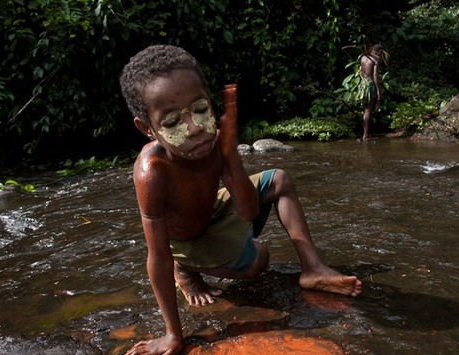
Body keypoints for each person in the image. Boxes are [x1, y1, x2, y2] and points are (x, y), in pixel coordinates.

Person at [119, 44, 362, 355]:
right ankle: (188, 269)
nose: (194, 129)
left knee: (279, 179)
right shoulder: (152, 172)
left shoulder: (216, 139)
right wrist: (172, 335)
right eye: (171, 123)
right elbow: (157, 256)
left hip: (213, 209)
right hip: (187, 240)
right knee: (259, 260)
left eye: (201, 110)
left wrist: (230, 156)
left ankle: (313, 268)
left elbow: (248, 210)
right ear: (147, 129)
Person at [359, 44, 383, 141]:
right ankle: (365, 135)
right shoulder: (376, 59)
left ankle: (365, 134)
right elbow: (375, 75)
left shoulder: (363, 57)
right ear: (380, 52)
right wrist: (378, 90)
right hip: (370, 85)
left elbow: (361, 71)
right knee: (368, 110)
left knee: (366, 110)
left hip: (363, 85)